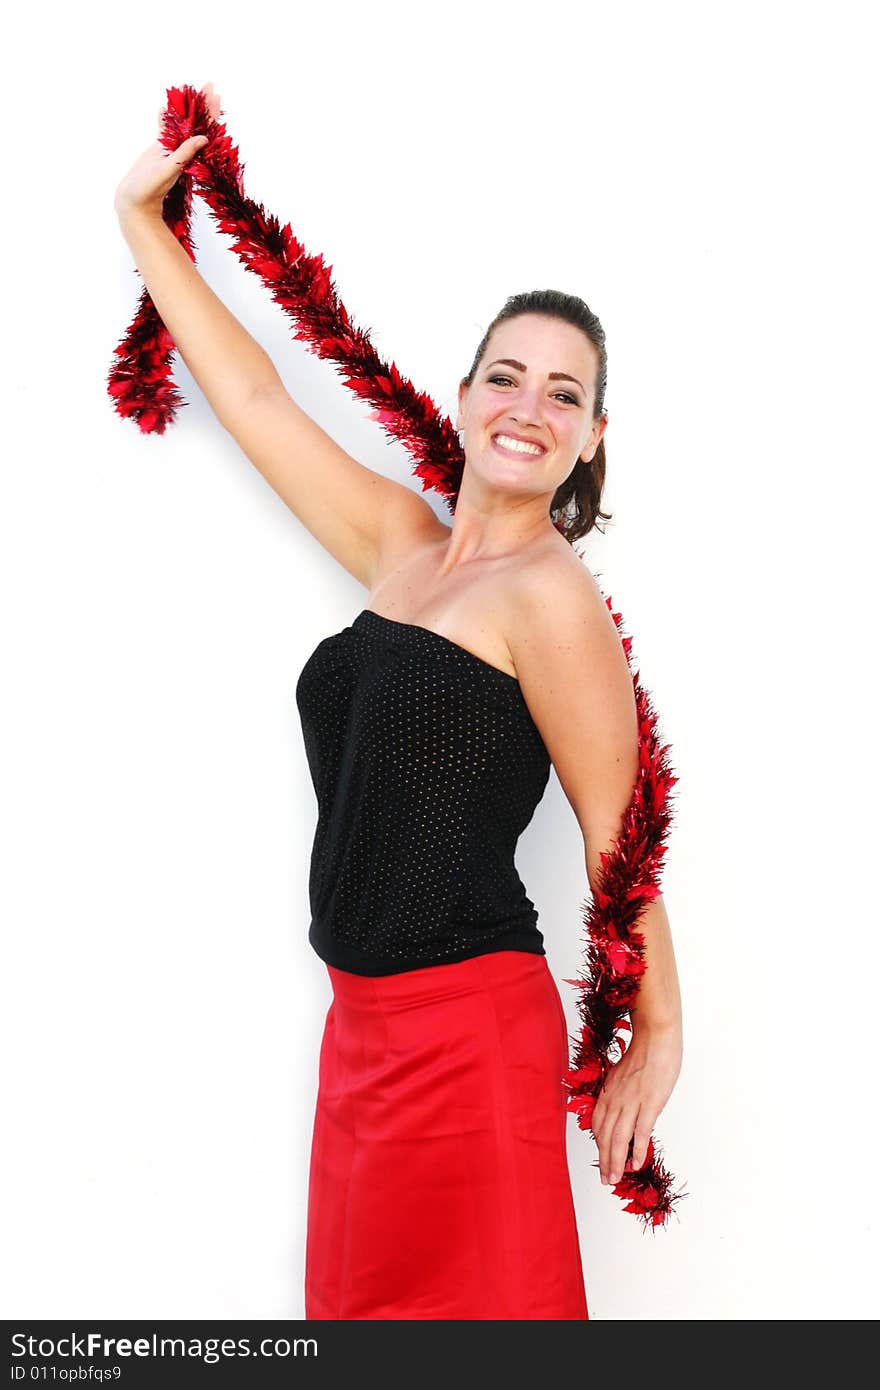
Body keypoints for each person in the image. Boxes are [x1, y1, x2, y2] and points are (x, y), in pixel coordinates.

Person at [114, 84, 684, 1320]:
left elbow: (616, 839)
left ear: (589, 439)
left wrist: (662, 1034)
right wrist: (147, 227)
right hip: (359, 1032)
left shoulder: (551, 597)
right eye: (506, 376)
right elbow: (259, 400)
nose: (527, 407)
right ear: (465, 392)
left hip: (471, 1033)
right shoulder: (401, 544)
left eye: (564, 395)